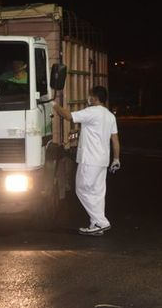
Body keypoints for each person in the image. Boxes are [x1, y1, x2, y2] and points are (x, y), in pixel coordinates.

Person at [52, 86, 120, 236]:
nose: (88, 98)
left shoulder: (91, 112)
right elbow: (115, 139)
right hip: (103, 160)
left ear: (95, 98)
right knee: (97, 193)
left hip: (89, 160)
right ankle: (95, 224)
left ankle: (101, 222)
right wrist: (116, 158)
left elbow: (69, 116)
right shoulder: (110, 116)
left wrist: (54, 105)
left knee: (82, 189)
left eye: (90, 96)